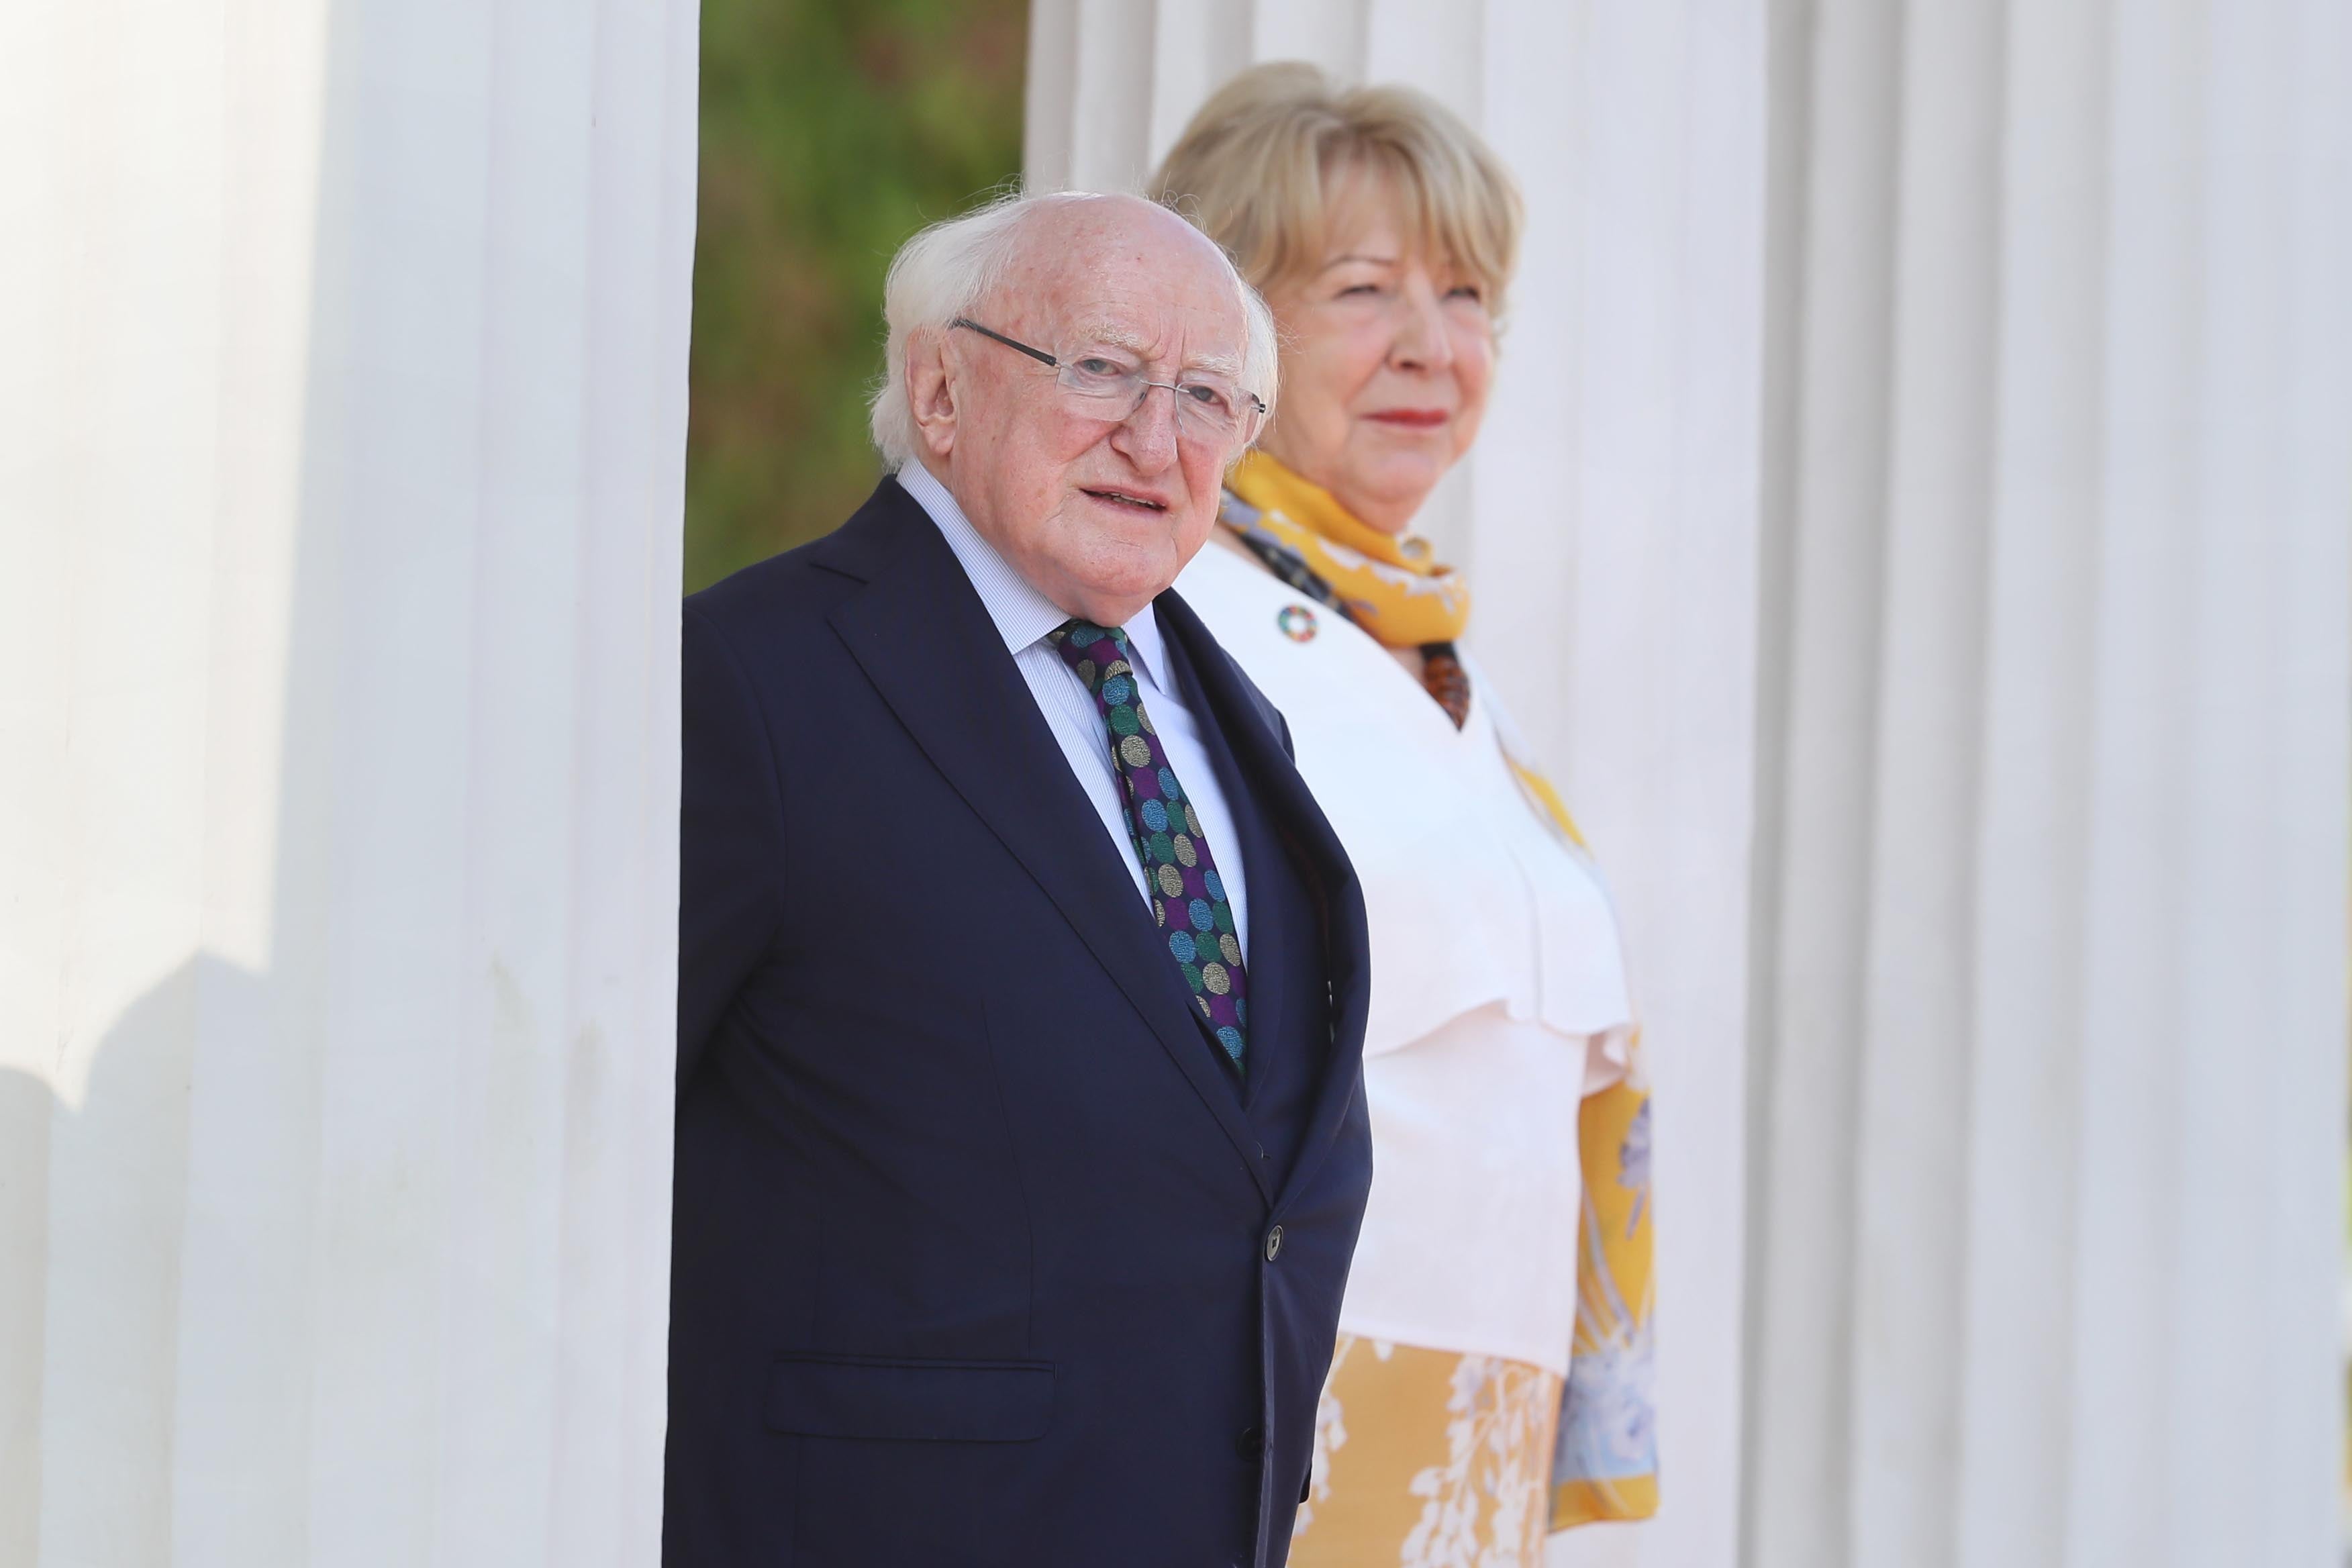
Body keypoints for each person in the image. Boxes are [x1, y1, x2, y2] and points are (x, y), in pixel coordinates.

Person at [666, 189, 1375, 1568]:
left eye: (1210, 398)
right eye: (1103, 369)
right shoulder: (747, 682)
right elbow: (584, 1148)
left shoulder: (1242, 725)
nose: (1155, 441)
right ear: (939, 389)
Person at [1151, 65, 1657, 1563]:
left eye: (1468, 295)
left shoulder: (1450, 667)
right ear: (1227, 318)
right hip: (1275, 1412)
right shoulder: (1166, 635)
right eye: (1365, 290)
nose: (1433, 348)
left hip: (1475, 1437)